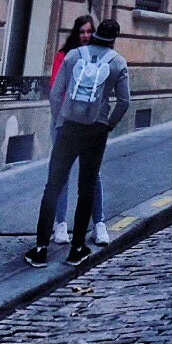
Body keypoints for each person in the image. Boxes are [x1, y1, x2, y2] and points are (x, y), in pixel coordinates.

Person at [26, 18, 129, 267]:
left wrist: (60, 120)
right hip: (96, 130)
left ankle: (40, 249)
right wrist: (108, 125)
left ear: (96, 34)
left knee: (53, 186)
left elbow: (55, 94)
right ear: (113, 39)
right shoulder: (117, 63)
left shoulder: (73, 56)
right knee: (87, 188)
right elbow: (124, 102)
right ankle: (77, 248)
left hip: (68, 128)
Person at [47, 15, 110, 246]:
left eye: (89, 32)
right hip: (65, 123)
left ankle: (99, 224)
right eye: (82, 32)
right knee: (62, 173)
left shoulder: (101, 57)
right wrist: (61, 119)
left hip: (90, 125)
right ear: (76, 33)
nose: (85, 35)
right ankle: (61, 224)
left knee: (93, 175)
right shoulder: (65, 56)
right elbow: (55, 89)